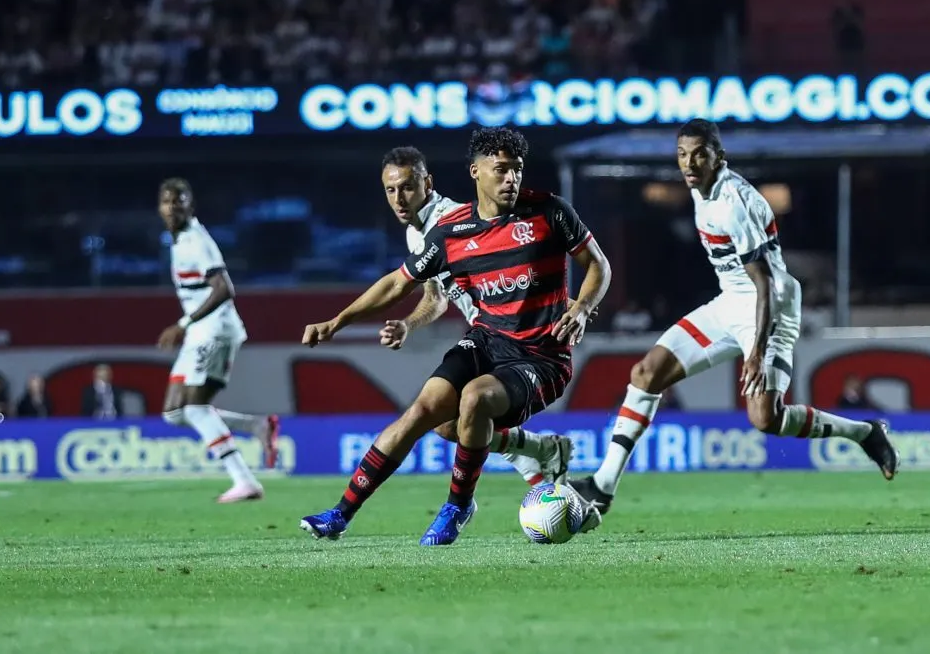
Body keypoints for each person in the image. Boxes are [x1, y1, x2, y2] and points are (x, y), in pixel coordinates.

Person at [299, 127, 612, 545]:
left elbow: (599, 266)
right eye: (501, 170)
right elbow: (399, 284)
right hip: (486, 341)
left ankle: (458, 505)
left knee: (475, 399)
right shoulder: (450, 233)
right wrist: (336, 321)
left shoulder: (549, 212)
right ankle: (339, 515)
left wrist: (581, 307)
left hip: (541, 357)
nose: (511, 179)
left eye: (516, 170)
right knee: (427, 415)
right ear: (475, 172)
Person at [570, 119, 899, 515]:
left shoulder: (733, 203)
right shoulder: (701, 190)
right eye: (682, 155)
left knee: (765, 418)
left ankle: (865, 432)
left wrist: (756, 352)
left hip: (770, 305)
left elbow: (764, 284)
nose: (689, 164)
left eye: (699, 155)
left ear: (718, 157)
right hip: (732, 300)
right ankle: (603, 485)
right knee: (646, 373)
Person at [377, 145, 596, 487]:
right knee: (445, 425)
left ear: (427, 184)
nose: (399, 198)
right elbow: (436, 298)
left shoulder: (452, 220)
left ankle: (491, 487)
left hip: (521, 338)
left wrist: (565, 301)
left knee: (465, 413)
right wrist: (408, 323)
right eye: (391, 190)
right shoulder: (414, 233)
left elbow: (506, 251)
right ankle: (539, 452)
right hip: (487, 337)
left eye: (406, 187)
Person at [156, 177, 279, 503]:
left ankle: (245, 481)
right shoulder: (179, 240)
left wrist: (182, 323)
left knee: (195, 409)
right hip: (200, 331)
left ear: (190, 206)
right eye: (167, 201)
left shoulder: (197, 240)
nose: (173, 207)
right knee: (174, 412)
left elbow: (224, 288)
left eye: (179, 201)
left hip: (214, 329)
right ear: (160, 207)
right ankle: (257, 426)